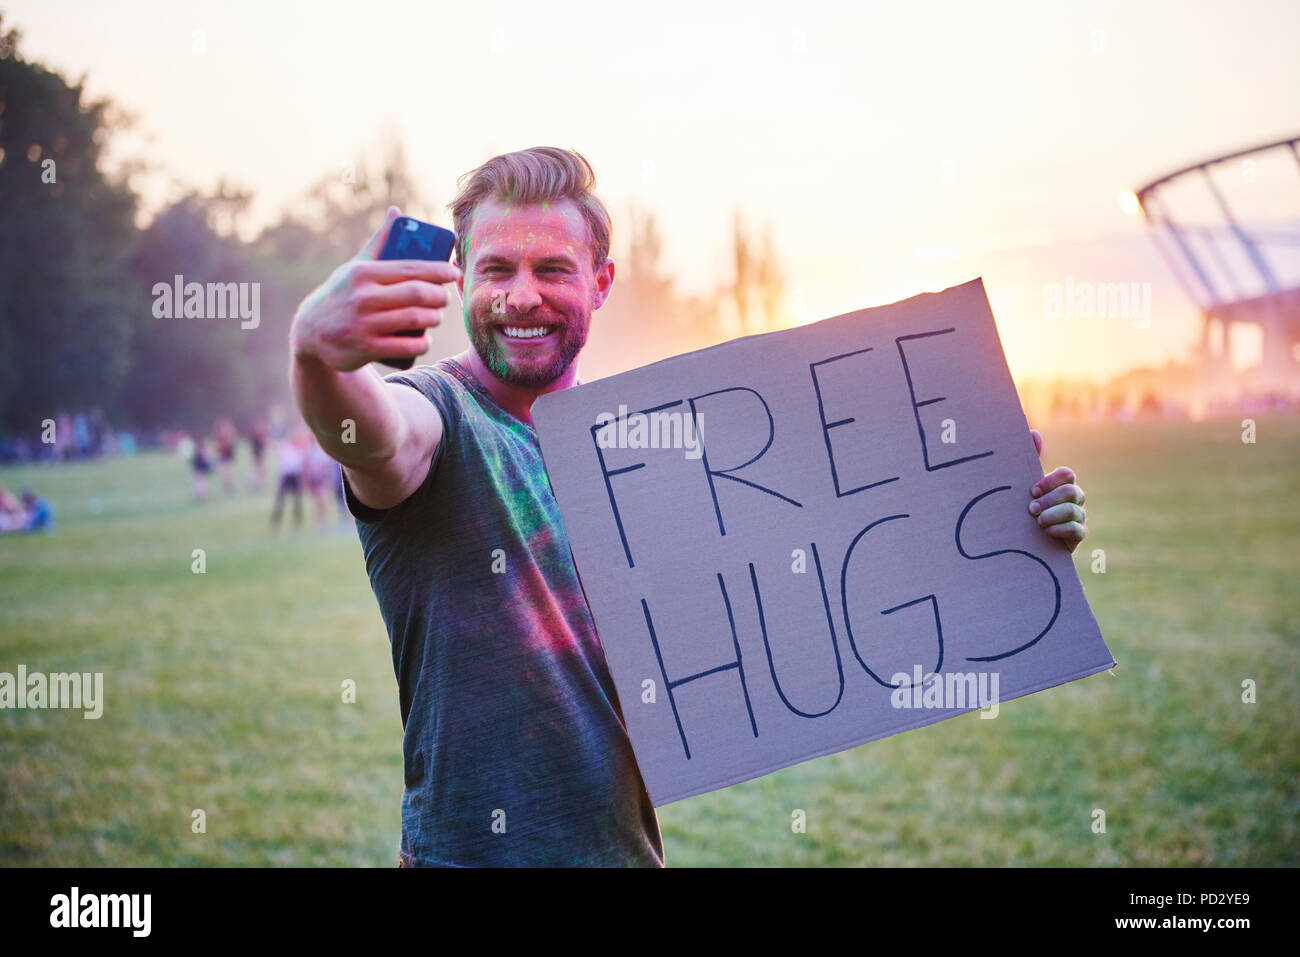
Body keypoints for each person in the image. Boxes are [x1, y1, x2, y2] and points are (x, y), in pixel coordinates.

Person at [288, 147, 1089, 867]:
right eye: (497, 270)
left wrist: (998, 510)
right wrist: (317, 353)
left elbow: (806, 573)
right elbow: (375, 436)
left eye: (552, 270)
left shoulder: (631, 453)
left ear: (600, 282)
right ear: (463, 279)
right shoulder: (439, 414)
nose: (522, 296)